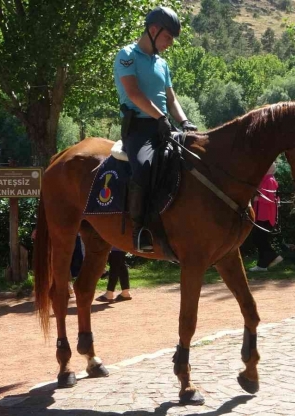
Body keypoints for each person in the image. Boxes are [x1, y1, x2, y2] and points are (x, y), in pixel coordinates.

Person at [114, 6, 197, 253]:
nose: (170, 43)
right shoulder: (126, 55)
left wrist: (185, 122)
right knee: (144, 168)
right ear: (153, 30)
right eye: (168, 37)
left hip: (164, 126)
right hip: (139, 129)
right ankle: (140, 230)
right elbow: (134, 93)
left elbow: (171, 99)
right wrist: (159, 117)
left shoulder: (162, 64)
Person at [249, 162, 283, 272]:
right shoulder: (266, 179)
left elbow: (273, 199)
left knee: (259, 238)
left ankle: (272, 256)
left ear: (270, 169)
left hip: (265, 215)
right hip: (261, 214)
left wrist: (257, 199)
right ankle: (262, 265)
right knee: (259, 238)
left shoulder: (270, 180)